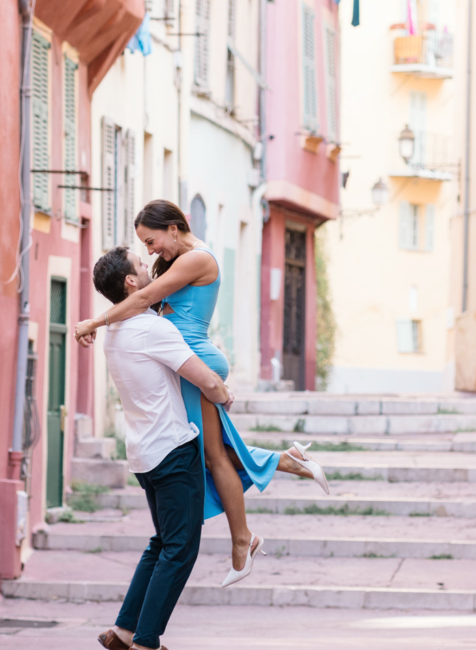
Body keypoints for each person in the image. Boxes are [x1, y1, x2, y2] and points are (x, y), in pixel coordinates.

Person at [76, 200, 328, 588]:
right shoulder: (182, 261)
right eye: (143, 246)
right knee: (216, 453)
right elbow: (152, 303)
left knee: (212, 455)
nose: (150, 251)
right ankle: (286, 467)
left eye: (151, 240)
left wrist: (92, 321)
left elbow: (143, 300)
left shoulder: (197, 258)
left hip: (196, 359)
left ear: (173, 228)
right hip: (192, 358)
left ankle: (243, 542)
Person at [90, 246, 229, 650]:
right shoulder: (153, 329)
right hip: (172, 449)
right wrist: (223, 393)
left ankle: (125, 630)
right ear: (132, 283)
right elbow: (204, 377)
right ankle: (147, 644)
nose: (149, 267)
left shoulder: (117, 332)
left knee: (162, 543)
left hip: (146, 453)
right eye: (140, 265)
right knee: (180, 548)